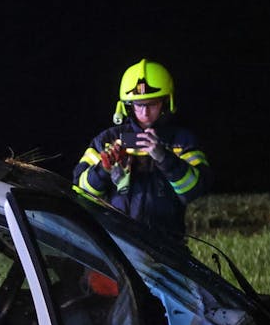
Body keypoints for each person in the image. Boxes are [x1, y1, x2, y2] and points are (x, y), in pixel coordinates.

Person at [72, 59, 209, 238]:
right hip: (119, 242)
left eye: (152, 104)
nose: (145, 112)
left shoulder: (181, 141)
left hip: (168, 243)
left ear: (166, 102)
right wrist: (103, 170)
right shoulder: (107, 140)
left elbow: (193, 191)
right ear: (127, 106)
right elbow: (81, 193)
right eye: (138, 105)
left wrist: (164, 158)